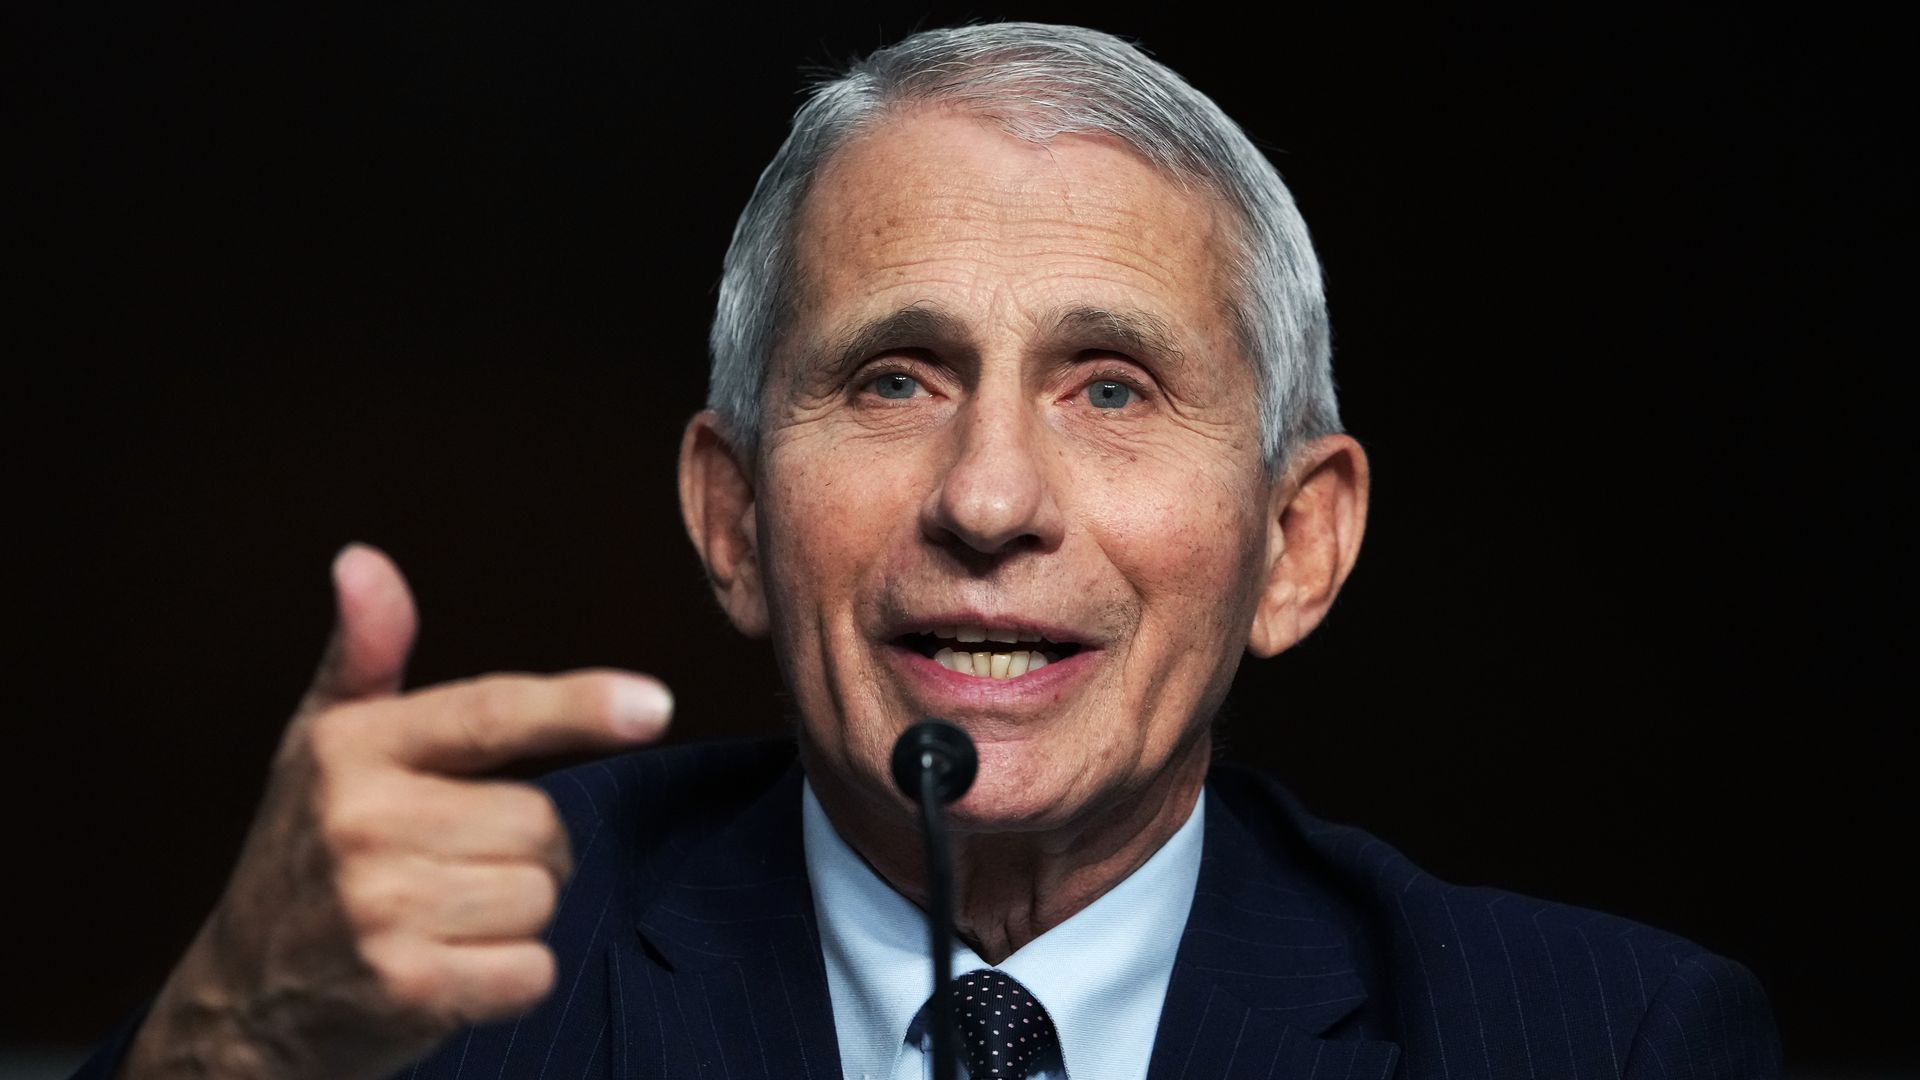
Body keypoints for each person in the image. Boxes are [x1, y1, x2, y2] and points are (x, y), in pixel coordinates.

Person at [79, 22, 1780, 1080]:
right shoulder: (429, 994)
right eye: (895, 379)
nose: (988, 497)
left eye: (1110, 388)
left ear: (1296, 544)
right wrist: (226, 1057)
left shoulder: (1602, 1040)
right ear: (733, 519)